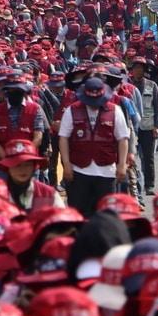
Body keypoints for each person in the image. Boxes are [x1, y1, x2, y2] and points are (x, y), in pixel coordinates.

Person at [58, 77, 130, 215]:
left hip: (107, 171)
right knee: (79, 214)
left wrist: (122, 164)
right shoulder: (72, 110)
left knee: (106, 214)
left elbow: (123, 139)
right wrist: (66, 164)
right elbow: (63, 138)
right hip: (79, 171)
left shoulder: (115, 110)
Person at [128, 57, 158, 195]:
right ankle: (134, 186)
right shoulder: (127, 86)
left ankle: (149, 185)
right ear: (132, 70)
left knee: (148, 158)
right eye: (136, 68)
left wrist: (156, 126)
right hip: (132, 128)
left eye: (141, 68)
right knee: (131, 157)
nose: (138, 70)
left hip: (147, 126)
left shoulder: (152, 85)